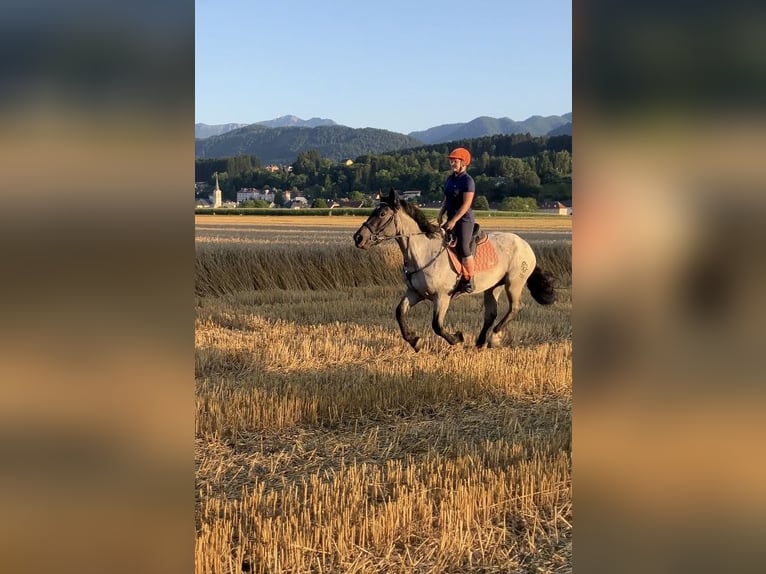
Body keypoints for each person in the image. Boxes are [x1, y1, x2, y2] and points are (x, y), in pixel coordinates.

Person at [438, 147, 476, 293]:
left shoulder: (468, 181)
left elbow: (466, 205)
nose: (452, 163)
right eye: (451, 161)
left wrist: (453, 220)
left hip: (464, 221)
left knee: (463, 248)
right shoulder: (450, 179)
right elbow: (447, 198)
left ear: (463, 162)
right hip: (450, 218)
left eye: (455, 161)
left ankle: (468, 280)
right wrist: (441, 213)